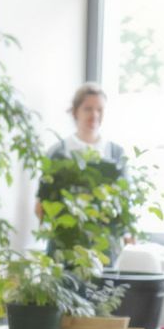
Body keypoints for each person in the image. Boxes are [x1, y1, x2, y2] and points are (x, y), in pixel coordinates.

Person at [36, 82, 129, 262]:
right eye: (88, 109)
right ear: (75, 112)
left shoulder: (116, 154)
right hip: (64, 248)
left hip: (104, 250)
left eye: (99, 110)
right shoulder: (58, 152)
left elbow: (124, 204)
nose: (94, 115)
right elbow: (41, 207)